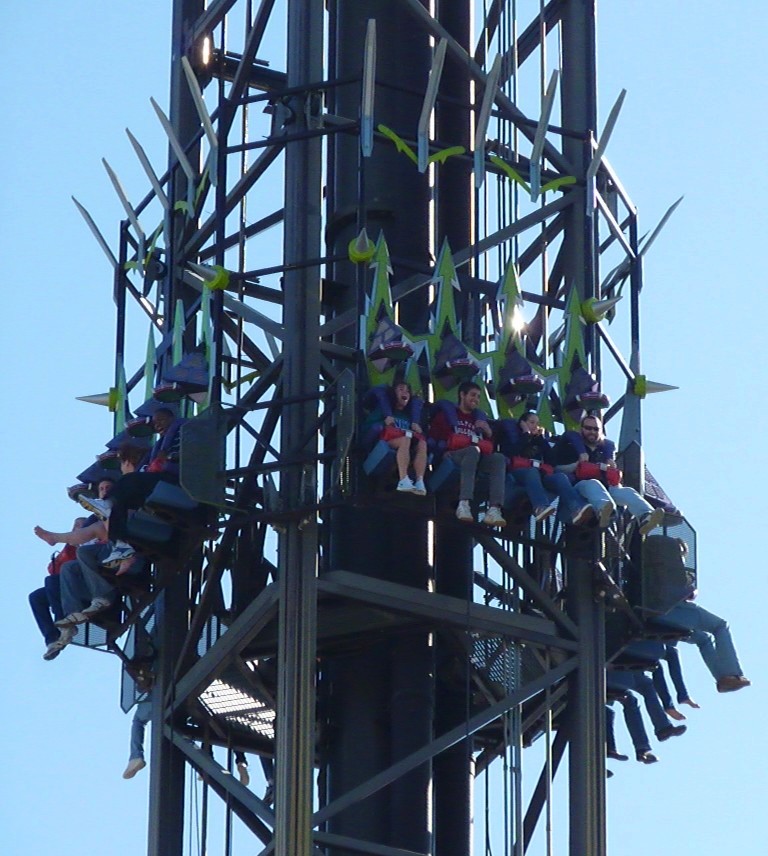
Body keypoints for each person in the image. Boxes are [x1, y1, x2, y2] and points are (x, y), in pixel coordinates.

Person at [79, 416, 184, 565]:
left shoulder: (180, 429)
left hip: (173, 483)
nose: (157, 425)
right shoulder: (156, 449)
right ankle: (121, 547)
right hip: (156, 493)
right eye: (155, 422)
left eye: (161, 419)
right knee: (117, 506)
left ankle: (107, 507)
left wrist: (165, 458)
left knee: (125, 484)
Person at [553, 414, 664, 533]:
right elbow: (556, 469)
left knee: (627, 491)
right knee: (593, 484)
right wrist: (576, 465)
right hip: (578, 489)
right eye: (588, 428)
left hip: (604, 490)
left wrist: (612, 473)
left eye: (596, 429)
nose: (592, 432)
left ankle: (645, 516)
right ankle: (604, 510)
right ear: (581, 429)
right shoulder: (570, 446)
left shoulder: (605, 451)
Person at [428, 381, 507, 527]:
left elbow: (489, 447)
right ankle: (464, 503)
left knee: (498, 459)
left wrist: (488, 432)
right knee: (472, 450)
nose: (476, 399)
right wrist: (441, 452)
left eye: (478, 397)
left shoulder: (478, 419)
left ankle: (494, 509)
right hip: (452, 454)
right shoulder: (446, 415)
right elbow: (434, 436)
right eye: (473, 395)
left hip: (475, 456)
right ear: (462, 395)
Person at [497, 411, 593, 525]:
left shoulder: (539, 441)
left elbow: (551, 461)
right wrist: (526, 435)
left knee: (560, 477)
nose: (535, 426)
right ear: (523, 423)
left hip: (540, 474)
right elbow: (510, 453)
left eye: (537, 423)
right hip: (519, 473)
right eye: (532, 422)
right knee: (532, 472)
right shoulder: (515, 437)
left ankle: (576, 508)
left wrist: (542, 440)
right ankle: (540, 507)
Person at [656, 597, 750, 693]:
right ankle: (730, 675)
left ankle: (728, 677)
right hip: (667, 614)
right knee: (717, 628)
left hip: (657, 616)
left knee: (706, 636)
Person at [29, 517, 85, 659]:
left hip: (85, 583)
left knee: (52, 580)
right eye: (75, 526)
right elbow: (52, 568)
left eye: (80, 526)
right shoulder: (70, 547)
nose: (77, 529)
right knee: (36, 597)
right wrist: (71, 544)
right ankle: (52, 639)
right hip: (67, 585)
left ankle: (63, 622)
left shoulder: (92, 540)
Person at [362, 382, 428, 494]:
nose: (405, 393)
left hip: (404, 445)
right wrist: (384, 423)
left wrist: (418, 430)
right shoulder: (382, 411)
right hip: (383, 443)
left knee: (422, 443)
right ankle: (403, 480)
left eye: (407, 391)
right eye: (401, 389)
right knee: (405, 439)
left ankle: (419, 481)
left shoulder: (409, 418)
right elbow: (366, 428)